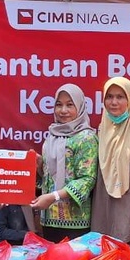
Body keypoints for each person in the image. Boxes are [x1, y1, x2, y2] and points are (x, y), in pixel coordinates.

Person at [90, 77, 130, 259]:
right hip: (103, 210)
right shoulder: (103, 127)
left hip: (127, 213)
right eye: (109, 97)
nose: (114, 102)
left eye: (120, 96)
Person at [30, 83, 98, 243]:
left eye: (70, 105)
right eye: (59, 105)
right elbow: (48, 178)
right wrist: (39, 166)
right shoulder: (52, 136)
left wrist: (53, 196)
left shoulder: (86, 138)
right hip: (48, 219)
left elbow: (87, 180)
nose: (63, 110)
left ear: (80, 107)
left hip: (75, 222)